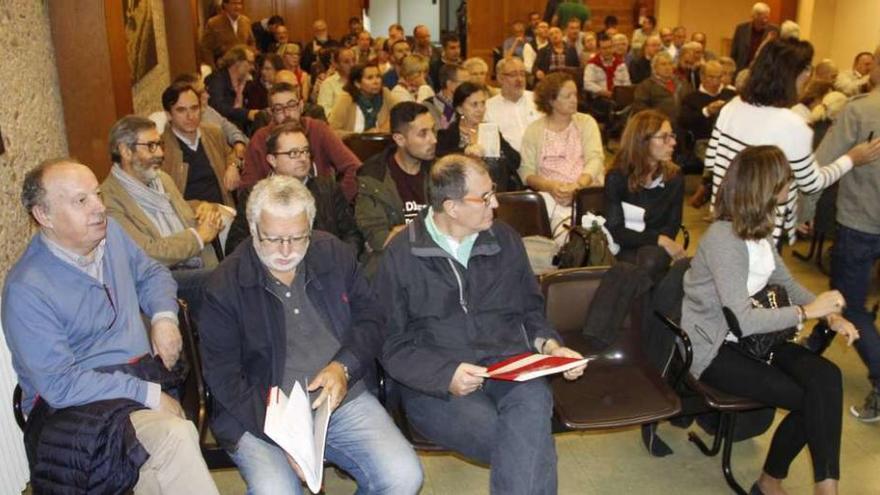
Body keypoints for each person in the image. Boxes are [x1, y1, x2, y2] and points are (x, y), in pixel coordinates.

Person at [2, 159, 219, 494]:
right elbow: (60, 385)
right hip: (76, 409)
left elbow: (152, 274)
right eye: (81, 201)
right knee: (174, 436)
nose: (99, 208)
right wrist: (147, 395)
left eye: (97, 194)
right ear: (43, 216)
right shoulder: (27, 289)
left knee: (166, 449)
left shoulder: (111, 234)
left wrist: (163, 317)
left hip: (137, 378)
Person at [375, 153, 587, 495]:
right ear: (452, 207)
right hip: (437, 383)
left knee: (531, 408)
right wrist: (445, 376)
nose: (495, 204)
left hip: (510, 365)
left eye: (493, 192)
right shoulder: (402, 256)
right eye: (484, 197)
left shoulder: (504, 240)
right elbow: (390, 343)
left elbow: (530, 308)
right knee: (521, 443)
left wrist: (550, 346)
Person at [199, 175, 422, 495]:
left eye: (299, 237)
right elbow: (224, 378)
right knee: (275, 491)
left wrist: (344, 366)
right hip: (259, 410)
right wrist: (283, 434)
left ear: (311, 227)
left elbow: (372, 318)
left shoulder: (333, 252)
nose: (287, 250)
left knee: (403, 476)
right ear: (252, 228)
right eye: (273, 239)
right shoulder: (224, 285)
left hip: (337, 399)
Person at [682, 145, 859, 495]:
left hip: (758, 341)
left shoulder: (759, 229)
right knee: (812, 399)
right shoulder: (724, 238)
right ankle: (776, 482)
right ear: (764, 185)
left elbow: (786, 284)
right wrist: (809, 312)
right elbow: (743, 321)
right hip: (716, 347)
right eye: (784, 179)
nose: (789, 184)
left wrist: (832, 315)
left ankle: (811, 486)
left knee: (827, 378)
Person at [705, 39, 880, 246]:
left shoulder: (731, 107)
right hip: (761, 232)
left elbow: (711, 160)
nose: (809, 75)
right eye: (807, 68)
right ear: (793, 74)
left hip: (723, 223)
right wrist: (851, 159)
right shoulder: (792, 124)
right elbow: (812, 182)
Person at [805, 48, 880, 421]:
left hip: (862, 222)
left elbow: (820, 163)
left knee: (850, 303)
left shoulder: (860, 109)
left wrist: (803, 212)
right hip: (863, 221)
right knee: (843, 295)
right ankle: (817, 341)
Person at [102, 116, 226, 315]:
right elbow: (146, 254)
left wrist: (204, 206)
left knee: (245, 266)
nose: (160, 153)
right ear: (125, 151)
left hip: (195, 264)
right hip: (160, 279)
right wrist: (199, 237)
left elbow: (181, 211)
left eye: (159, 144)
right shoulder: (109, 200)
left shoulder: (161, 179)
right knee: (226, 281)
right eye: (151, 146)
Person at [226, 121, 362, 256]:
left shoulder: (328, 188)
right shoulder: (254, 195)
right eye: (293, 153)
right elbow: (235, 245)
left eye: (305, 151)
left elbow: (353, 235)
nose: (303, 158)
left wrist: (340, 261)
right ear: (272, 160)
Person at [355, 101, 436, 277]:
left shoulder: (439, 170)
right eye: (423, 134)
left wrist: (401, 231)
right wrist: (431, 228)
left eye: (433, 130)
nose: (433, 140)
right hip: (395, 265)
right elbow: (379, 239)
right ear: (399, 139)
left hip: (436, 261)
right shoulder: (373, 177)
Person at [240, 82, 361, 200]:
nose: (287, 113)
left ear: (301, 106)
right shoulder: (260, 139)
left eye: (292, 105)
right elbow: (248, 188)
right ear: (271, 113)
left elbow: (355, 168)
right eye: (278, 109)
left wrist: (337, 201)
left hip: (319, 208)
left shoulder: (318, 130)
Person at [520, 72, 605, 241]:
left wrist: (578, 186)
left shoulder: (586, 122)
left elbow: (595, 159)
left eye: (575, 94)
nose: (574, 100)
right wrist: (550, 186)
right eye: (567, 96)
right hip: (550, 195)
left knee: (592, 236)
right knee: (564, 234)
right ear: (551, 100)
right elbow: (526, 172)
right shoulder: (534, 130)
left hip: (585, 192)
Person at [605, 110, 684, 283]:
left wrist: (660, 240)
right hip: (623, 244)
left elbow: (672, 227)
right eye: (664, 137)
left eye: (672, 135)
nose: (673, 142)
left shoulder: (674, 178)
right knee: (635, 266)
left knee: (649, 261)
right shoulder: (617, 176)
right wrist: (659, 239)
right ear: (642, 141)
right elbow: (616, 229)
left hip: (656, 249)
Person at [160, 82, 237, 211]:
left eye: (194, 108)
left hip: (225, 211)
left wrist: (233, 166)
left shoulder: (214, 133)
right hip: (188, 218)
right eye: (181, 110)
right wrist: (200, 207)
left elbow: (230, 154)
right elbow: (165, 198)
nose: (190, 116)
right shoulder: (161, 149)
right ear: (168, 114)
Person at [437, 82, 522, 192]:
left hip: (497, 190)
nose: (480, 109)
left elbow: (516, 160)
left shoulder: (491, 130)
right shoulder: (447, 135)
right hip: (462, 191)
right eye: (474, 104)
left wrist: (497, 150)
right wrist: (465, 152)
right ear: (459, 109)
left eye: (483, 103)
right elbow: (442, 164)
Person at [485, 57, 541, 153]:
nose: (519, 79)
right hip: (509, 164)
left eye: (522, 74)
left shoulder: (538, 100)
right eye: (513, 75)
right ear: (500, 78)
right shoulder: (488, 108)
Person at [204, 45, 260, 132]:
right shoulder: (217, 79)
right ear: (237, 62)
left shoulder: (247, 81)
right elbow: (217, 107)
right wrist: (246, 114)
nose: (252, 68)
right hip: (221, 130)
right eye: (250, 63)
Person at [329, 63, 394, 136]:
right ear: (357, 83)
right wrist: (363, 136)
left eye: (378, 76)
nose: (376, 82)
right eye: (370, 78)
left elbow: (396, 117)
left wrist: (381, 131)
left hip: (381, 144)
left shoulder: (385, 94)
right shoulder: (346, 99)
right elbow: (332, 131)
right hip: (352, 145)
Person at [198, 0, 255, 67]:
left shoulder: (246, 21)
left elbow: (251, 42)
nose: (237, 7)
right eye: (234, 3)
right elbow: (205, 48)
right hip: (224, 67)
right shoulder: (213, 23)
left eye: (239, 4)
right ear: (225, 5)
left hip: (244, 67)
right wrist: (213, 67)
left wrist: (250, 57)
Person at [730, 2, 779, 71]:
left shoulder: (774, 30)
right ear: (754, 17)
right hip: (742, 70)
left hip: (763, 72)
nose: (765, 21)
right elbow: (734, 52)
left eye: (767, 18)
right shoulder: (741, 29)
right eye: (763, 19)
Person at [424, 63, 468, 131]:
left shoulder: (468, 103)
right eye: (464, 83)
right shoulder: (429, 105)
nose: (468, 87)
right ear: (449, 84)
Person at [317, 47, 356, 120]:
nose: (352, 65)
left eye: (354, 60)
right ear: (336, 64)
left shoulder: (361, 82)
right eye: (346, 62)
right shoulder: (328, 84)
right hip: (338, 125)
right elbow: (324, 109)